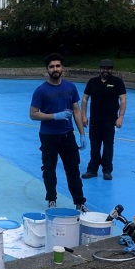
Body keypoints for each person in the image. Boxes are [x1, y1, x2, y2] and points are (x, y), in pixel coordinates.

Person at [29, 53, 88, 212]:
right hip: (48, 136)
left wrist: (82, 133)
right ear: (47, 69)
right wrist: (53, 116)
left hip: (68, 135)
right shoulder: (41, 91)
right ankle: (51, 199)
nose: (55, 69)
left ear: (62, 68)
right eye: (52, 66)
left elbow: (76, 110)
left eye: (58, 66)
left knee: (73, 169)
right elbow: (33, 114)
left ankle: (79, 202)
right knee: (49, 169)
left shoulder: (70, 87)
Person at [81, 59, 128, 181]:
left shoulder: (117, 82)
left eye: (108, 68)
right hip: (95, 120)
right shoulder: (92, 82)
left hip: (109, 120)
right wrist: (83, 116)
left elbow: (123, 99)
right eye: (103, 68)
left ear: (111, 69)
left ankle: (107, 170)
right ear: (100, 69)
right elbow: (85, 99)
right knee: (94, 145)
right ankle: (92, 169)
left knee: (108, 146)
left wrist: (120, 117)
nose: (105, 70)